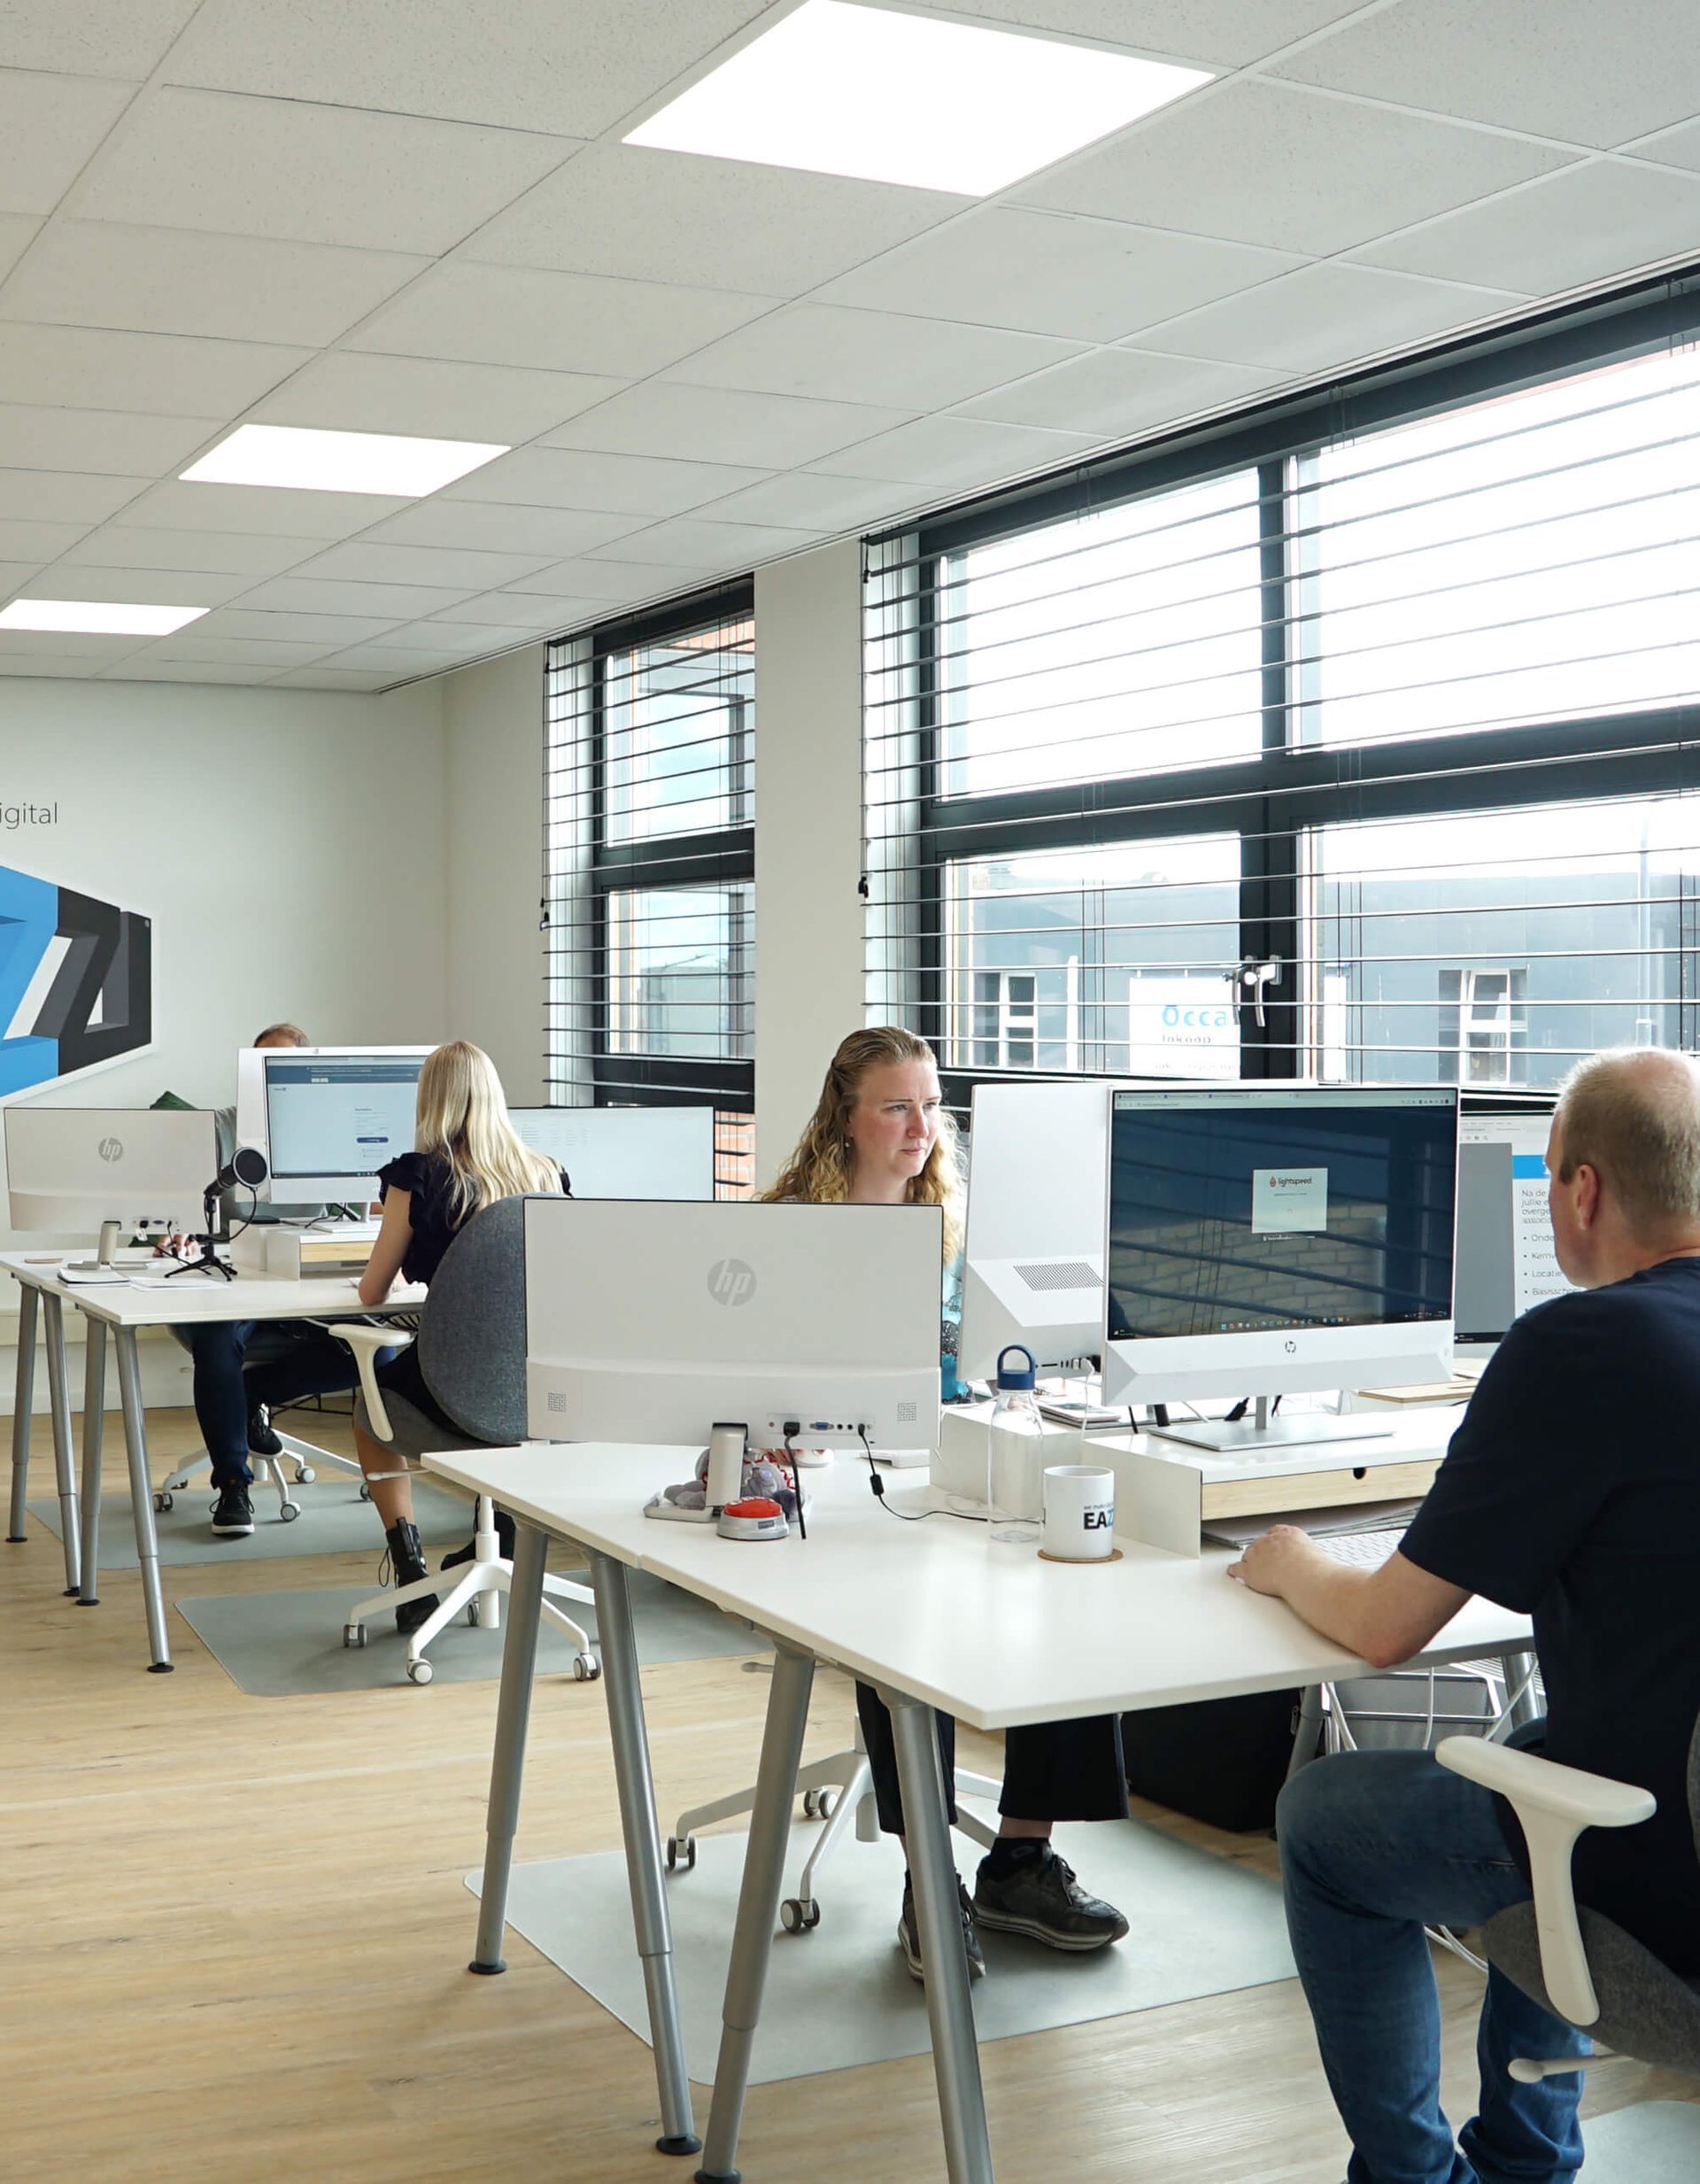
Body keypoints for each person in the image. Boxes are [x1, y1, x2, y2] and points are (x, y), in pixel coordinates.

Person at [1232, 1046, 1700, 2184]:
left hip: (1663, 1890)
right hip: (1676, 1794)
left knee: (1324, 1821)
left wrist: (1290, 1560)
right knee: (1525, 1754)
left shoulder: (1584, 1345)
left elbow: (1389, 1627)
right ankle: (1523, 2163)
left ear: (1581, 1190)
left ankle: (1411, 2178)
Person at [766, 1026, 1130, 1981]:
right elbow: (753, 1385)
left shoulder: (962, 1230)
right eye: (896, 1105)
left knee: (1073, 1581)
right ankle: (928, 1879)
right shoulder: (789, 1231)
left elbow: (1006, 1358)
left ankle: (1020, 1857)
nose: (921, 1126)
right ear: (844, 1118)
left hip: (959, 1475)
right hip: (846, 1496)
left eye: (932, 1106)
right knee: (905, 1631)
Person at [352, 1041, 566, 1632]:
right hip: (539, 1397)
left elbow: (373, 1292)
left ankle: (411, 1569)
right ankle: (494, 1541)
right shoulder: (547, 1174)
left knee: (369, 1408)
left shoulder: (416, 1177)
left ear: (431, 1101)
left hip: (452, 1389)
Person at [171, 1021, 379, 1542]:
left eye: (278, 1069)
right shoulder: (216, 1127)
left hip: (306, 1280)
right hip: (234, 1281)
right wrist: (176, 1234)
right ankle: (233, 1486)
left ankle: (248, 1395)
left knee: (380, 1351)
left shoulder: (333, 1129)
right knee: (218, 1341)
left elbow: (367, 1211)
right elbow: (174, 1208)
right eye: (256, 1068)